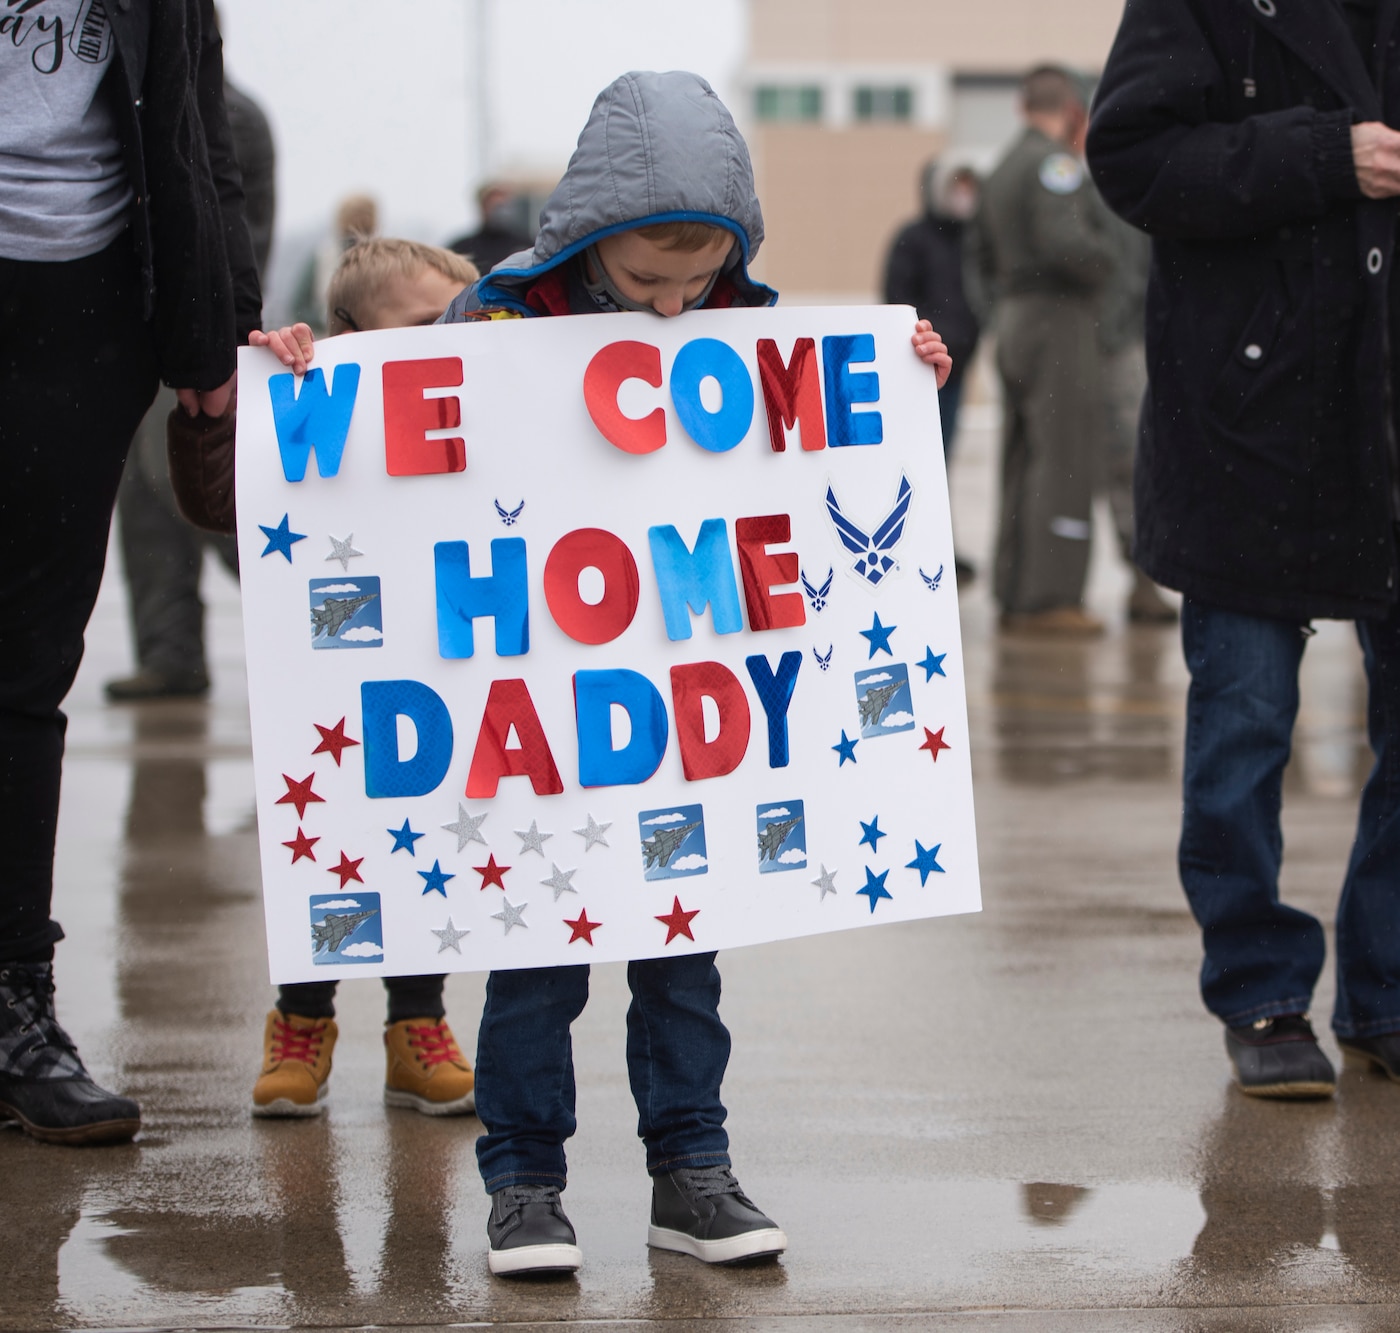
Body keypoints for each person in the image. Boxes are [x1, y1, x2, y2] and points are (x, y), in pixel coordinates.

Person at [440, 70, 952, 1277]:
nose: (672, 310)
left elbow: (827, 469)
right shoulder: (495, 327)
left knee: (682, 961)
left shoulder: (741, 331)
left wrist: (901, 374)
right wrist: (305, 373)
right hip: (547, 721)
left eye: (694, 284)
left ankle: (692, 1171)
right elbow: (386, 428)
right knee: (536, 964)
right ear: (589, 244)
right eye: (644, 284)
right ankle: (524, 1182)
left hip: (685, 721)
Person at [1089, 2, 1400, 1094]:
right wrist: (1324, 155)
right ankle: (1259, 996)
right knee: (1244, 727)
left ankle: (1397, 993)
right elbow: (1133, 158)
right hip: (1252, 415)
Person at [0, 0, 260, 1146]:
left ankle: (15, 1009)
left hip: (86, 314)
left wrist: (216, 334)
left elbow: (197, 131)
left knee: (24, 675)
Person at [239, 239, 482, 1120]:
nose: (449, 340)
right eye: (424, 324)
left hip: (437, 669)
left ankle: (416, 1028)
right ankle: (302, 1020)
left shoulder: (481, 408)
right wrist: (259, 394)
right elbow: (211, 496)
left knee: (426, 843)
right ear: (346, 335)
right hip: (330, 681)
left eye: (464, 319)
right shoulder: (304, 402)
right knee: (325, 842)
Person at [105, 79, 273, 702]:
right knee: (147, 505)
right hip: (151, 329)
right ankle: (168, 650)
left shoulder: (216, 110)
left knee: (193, 486)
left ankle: (322, 616)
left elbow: (220, 225)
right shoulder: (185, 99)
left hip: (196, 331)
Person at [973, 65, 1119, 637]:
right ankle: (1053, 597)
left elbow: (980, 255)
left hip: (1013, 317)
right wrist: (1107, 257)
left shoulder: (1001, 169)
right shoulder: (1054, 164)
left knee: (1021, 455)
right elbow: (1067, 243)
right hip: (1057, 320)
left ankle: (1013, 588)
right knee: (1064, 458)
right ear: (1072, 113)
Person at [883, 161, 984, 583]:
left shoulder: (972, 241)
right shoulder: (913, 240)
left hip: (957, 368)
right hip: (921, 370)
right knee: (923, 461)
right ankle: (920, 544)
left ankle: (941, 542)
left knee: (943, 461)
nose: (962, 195)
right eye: (954, 186)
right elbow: (896, 301)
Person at [1100, 210, 1179, 624]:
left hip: (1127, 338)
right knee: (1125, 461)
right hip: (1113, 344)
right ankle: (1141, 581)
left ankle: (1142, 580)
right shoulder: (1096, 188)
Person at [288, 192, 377, 332]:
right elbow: (299, 306)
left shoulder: (322, 256)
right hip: (331, 336)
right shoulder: (323, 257)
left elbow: (298, 306)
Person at [448, 181, 534, 277]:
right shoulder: (462, 248)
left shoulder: (527, 244)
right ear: (482, 207)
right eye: (494, 206)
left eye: (503, 206)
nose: (500, 212)